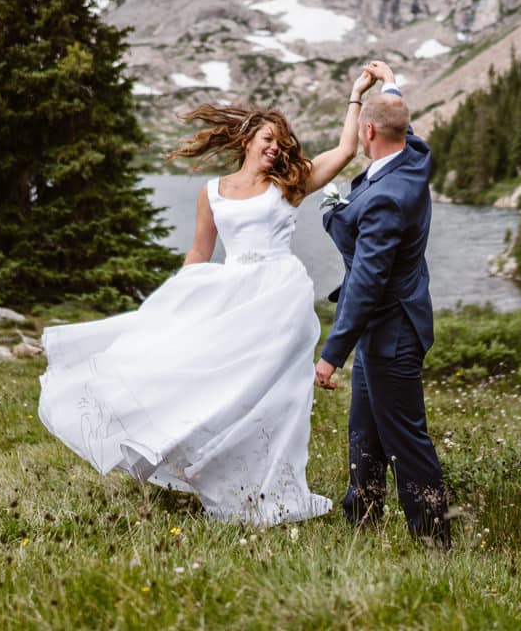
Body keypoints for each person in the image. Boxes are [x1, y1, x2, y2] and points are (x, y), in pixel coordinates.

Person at [37, 68, 380, 525]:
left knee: (279, 399)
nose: (276, 147)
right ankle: (215, 472)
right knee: (219, 386)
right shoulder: (212, 193)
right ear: (247, 141)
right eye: (267, 139)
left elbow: (345, 150)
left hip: (282, 301)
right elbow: (199, 253)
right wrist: (172, 308)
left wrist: (356, 95)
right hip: (235, 295)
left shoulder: (289, 185)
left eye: (281, 141)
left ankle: (271, 489)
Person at [314, 60, 450, 546]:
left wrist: (331, 356)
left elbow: (367, 284)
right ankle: (362, 524)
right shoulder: (414, 158)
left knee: (406, 440)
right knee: (364, 434)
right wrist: (389, 82)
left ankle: (434, 539)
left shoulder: (388, 196)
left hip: (391, 333)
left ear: (367, 131)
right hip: (385, 332)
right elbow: (402, 124)